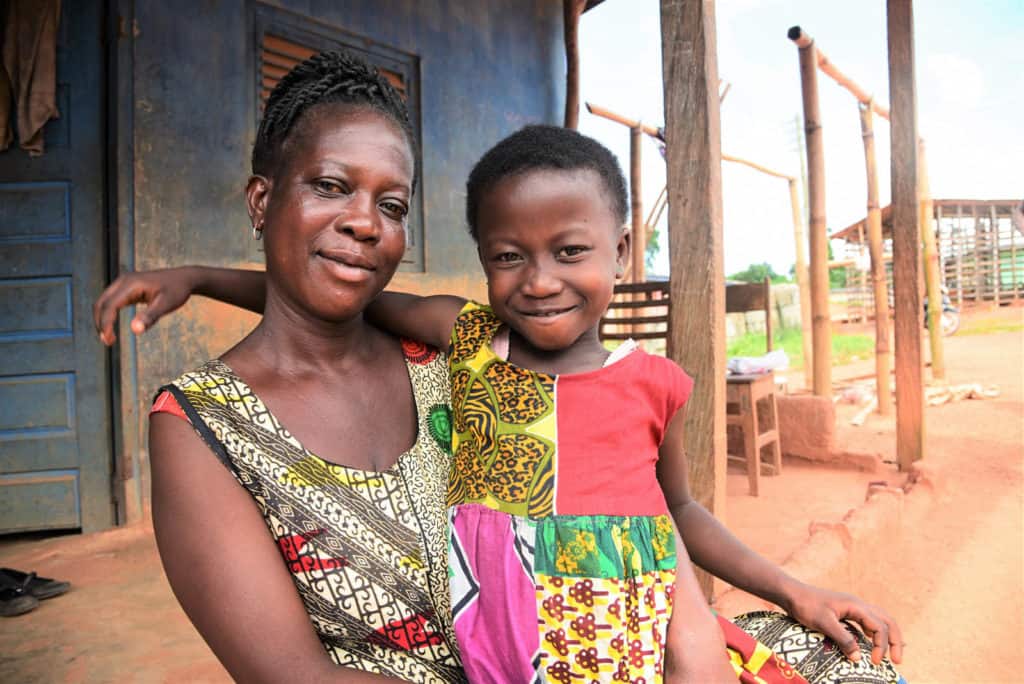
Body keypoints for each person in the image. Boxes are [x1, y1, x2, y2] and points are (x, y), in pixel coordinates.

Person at [97, 124, 906, 684]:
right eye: (510, 257)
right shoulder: (470, 338)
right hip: (504, 652)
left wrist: (790, 590)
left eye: (571, 252)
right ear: (483, 260)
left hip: (630, 641)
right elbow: (332, 292)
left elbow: (679, 509)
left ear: (621, 252)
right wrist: (200, 277)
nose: (542, 279)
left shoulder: (654, 383)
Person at [99, 50, 465, 682]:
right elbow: (295, 676)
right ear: (261, 201)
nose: (364, 222)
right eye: (330, 186)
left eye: (394, 206)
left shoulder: (449, 364)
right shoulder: (200, 426)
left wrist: (203, 277)